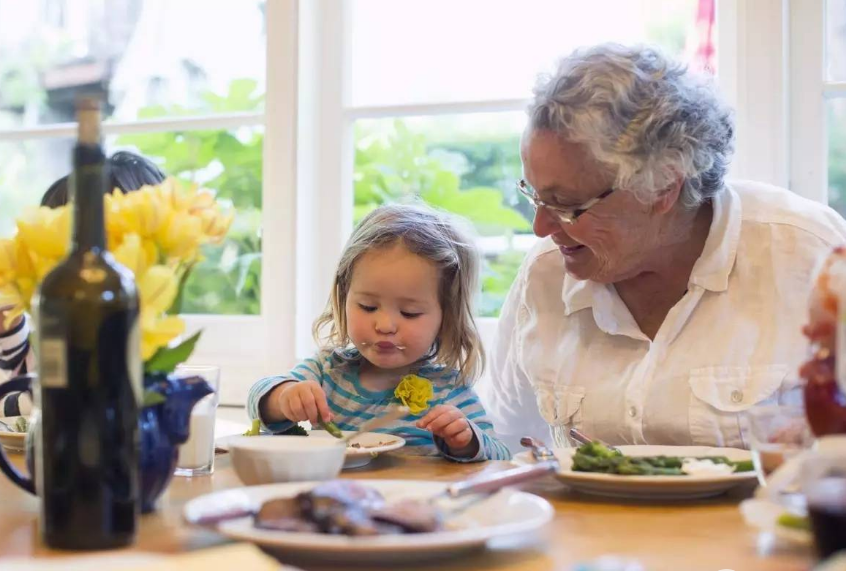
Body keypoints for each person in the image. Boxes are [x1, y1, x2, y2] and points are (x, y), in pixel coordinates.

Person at [483, 43, 846, 451]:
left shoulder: (810, 254)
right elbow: (506, 444)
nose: (540, 227)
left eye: (567, 206)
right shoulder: (545, 273)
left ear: (662, 187)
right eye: (534, 197)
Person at [248, 204, 510, 461]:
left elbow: (500, 455)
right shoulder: (326, 371)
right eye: (368, 306)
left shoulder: (448, 389)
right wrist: (283, 397)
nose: (384, 325)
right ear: (344, 296)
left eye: (409, 312)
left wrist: (465, 440)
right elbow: (257, 402)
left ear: (447, 317)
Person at [0, 151, 165, 416]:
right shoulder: (65, 305)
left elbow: (51, 396)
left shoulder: (137, 312)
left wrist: (4, 407)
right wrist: (3, 300)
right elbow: (18, 366)